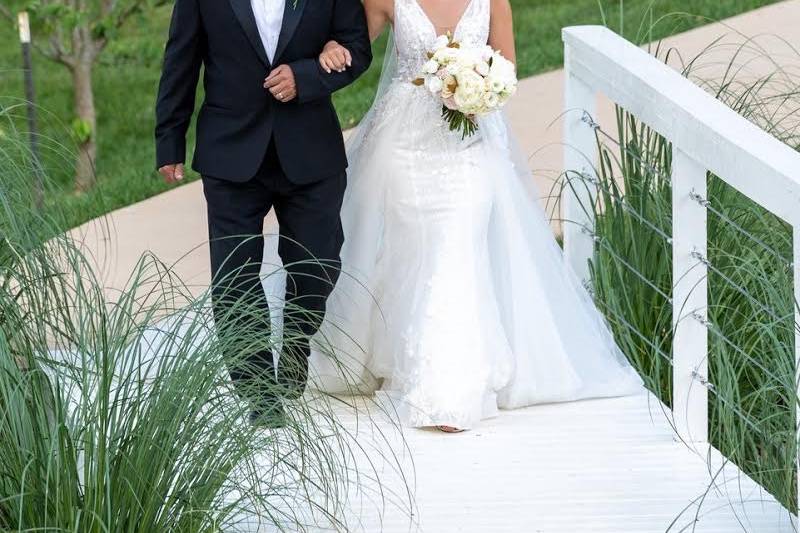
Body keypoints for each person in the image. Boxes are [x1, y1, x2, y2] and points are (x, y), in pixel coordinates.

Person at [301, 0, 643, 432]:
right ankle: (404, 355)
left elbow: (508, 70)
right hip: (406, 145)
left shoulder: (493, 1)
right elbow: (353, 46)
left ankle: (448, 388)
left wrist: (474, 84)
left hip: (469, 144)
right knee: (412, 250)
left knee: (457, 248)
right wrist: (330, 48)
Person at [154, 0, 372, 427]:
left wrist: (306, 76)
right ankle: (258, 393)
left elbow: (357, 48)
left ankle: (295, 344)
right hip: (230, 152)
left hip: (310, 152)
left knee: (317, 267)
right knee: (234, 277)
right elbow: (181, 56)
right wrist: (170, 137)